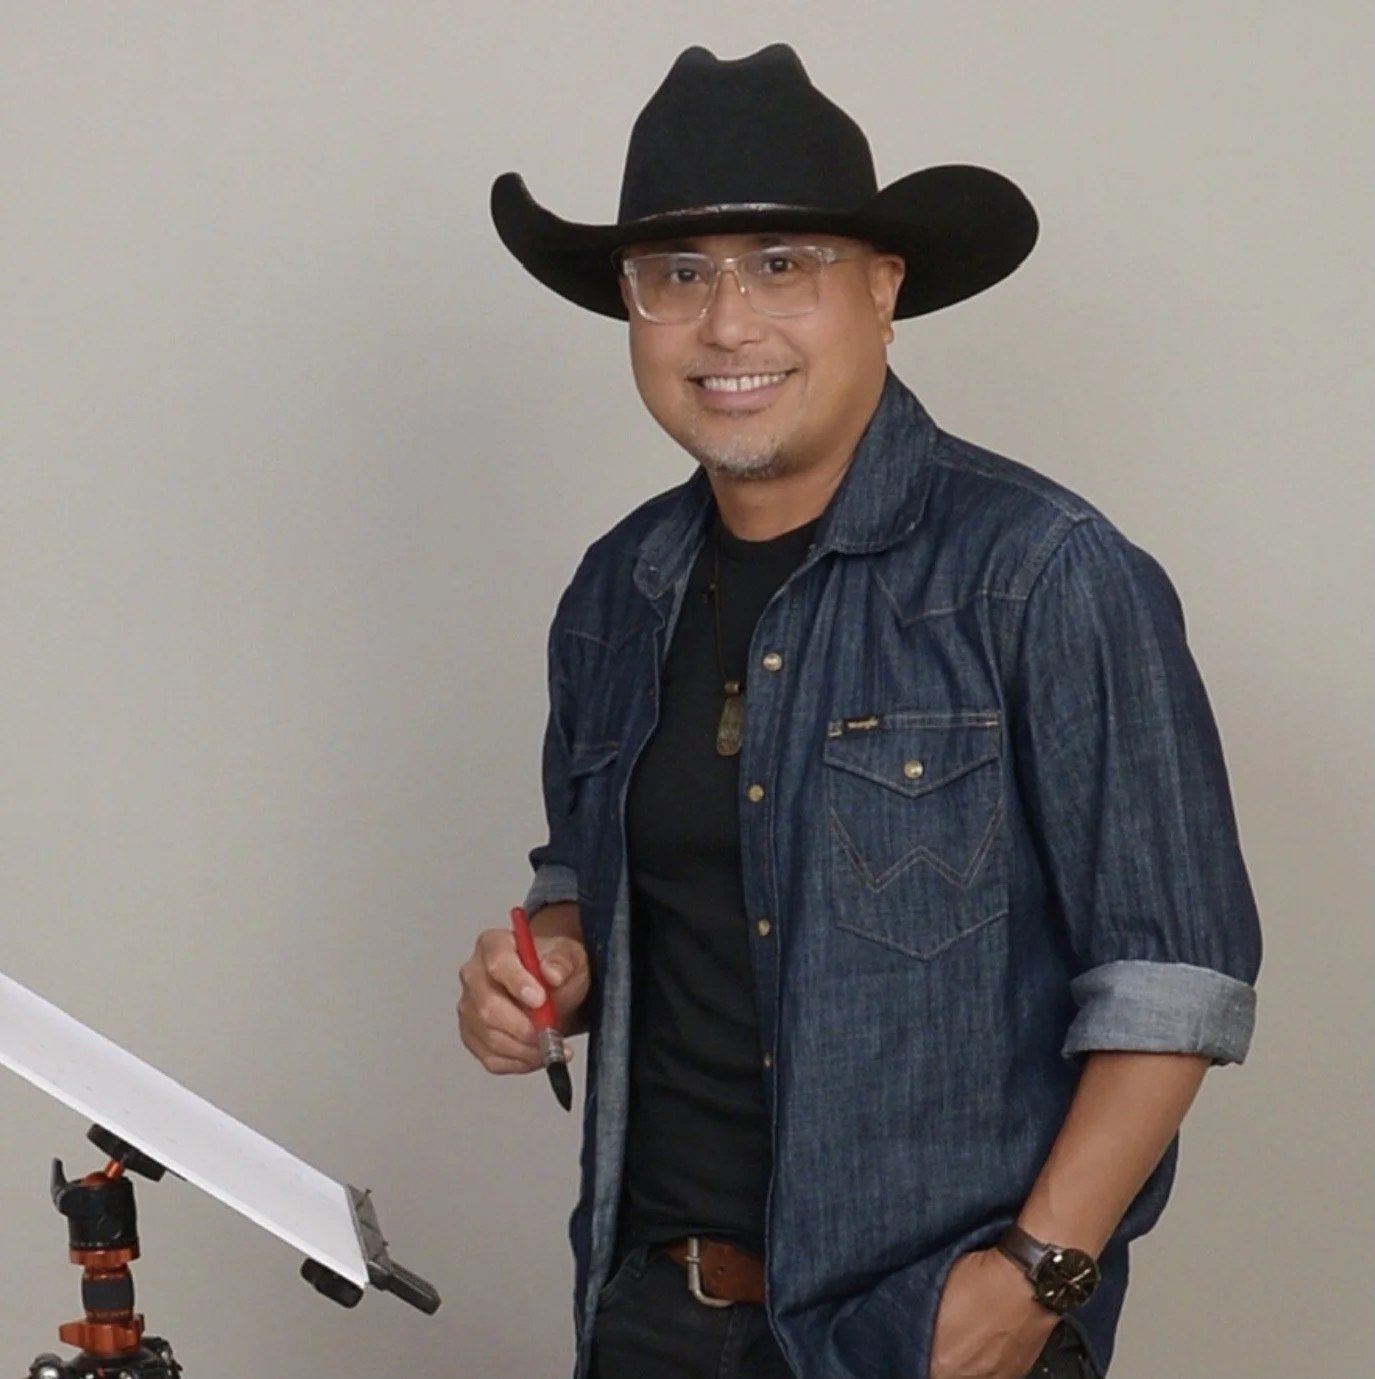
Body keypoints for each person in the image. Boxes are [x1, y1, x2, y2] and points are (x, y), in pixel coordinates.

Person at [458, 43, 1261, 1379]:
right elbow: (586, 867)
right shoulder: (617, 589)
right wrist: (544, 957)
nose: (727, 324)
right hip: (654, 1311)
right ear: (630, 307)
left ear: (882, 287)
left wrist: (1033, 1280)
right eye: (679, 275)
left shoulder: (1042, 573)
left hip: (925, 1328)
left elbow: (1171, 979)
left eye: (782, 263)